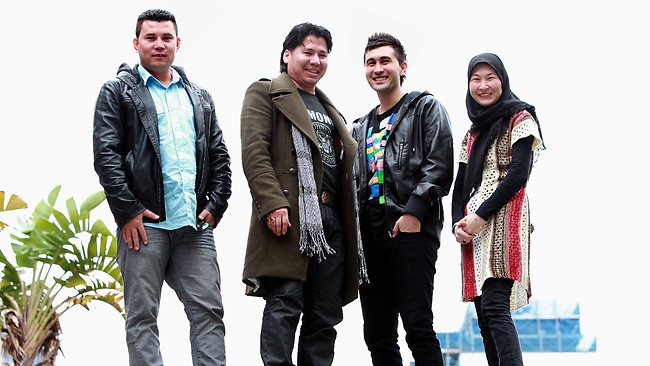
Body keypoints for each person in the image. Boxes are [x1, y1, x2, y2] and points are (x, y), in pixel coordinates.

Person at [92, 9, 232, 366]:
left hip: (194, 228)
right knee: (141, 318)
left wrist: (216, 205)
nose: (159, 44)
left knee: (209, 315)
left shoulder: (198, 96)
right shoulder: (117, 92)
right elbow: (106, 155)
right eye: (151, 38)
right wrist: (128, 211)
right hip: (144, 227)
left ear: (177, 44)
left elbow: (219, 154)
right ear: (136, 43)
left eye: (166, 38)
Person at [239, 22, 363, 366]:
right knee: (285, 303)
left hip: (331, 220)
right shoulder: (264, 92)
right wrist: (273, 203)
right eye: (308, 52)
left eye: (323, 54)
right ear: (287, 54)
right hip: (290, 215)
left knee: (325, 315)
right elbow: (255, 152)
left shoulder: (329, 107)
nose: (315, 60)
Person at [351, 33, 454, 366]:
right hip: (370, 237)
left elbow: (439, 164)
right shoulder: (360, 127)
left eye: (385, 61)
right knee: (378, 335)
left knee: (418, 326)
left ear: (402, 66)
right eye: (371, 63)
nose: (378, 69)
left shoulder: (424, 107)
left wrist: (414, 212)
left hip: (410, 229)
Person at [451, 53, 544, 366]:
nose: (483, 85)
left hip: (506, 216)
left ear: (502, 80)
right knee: (483, 318)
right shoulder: (472, 134)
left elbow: (518, 174)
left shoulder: (521, 119)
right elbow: (460, 186)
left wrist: (480, 217)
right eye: (475, 79)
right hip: (473, 227)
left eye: (490, 77)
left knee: (495, 306)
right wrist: (457, 225)